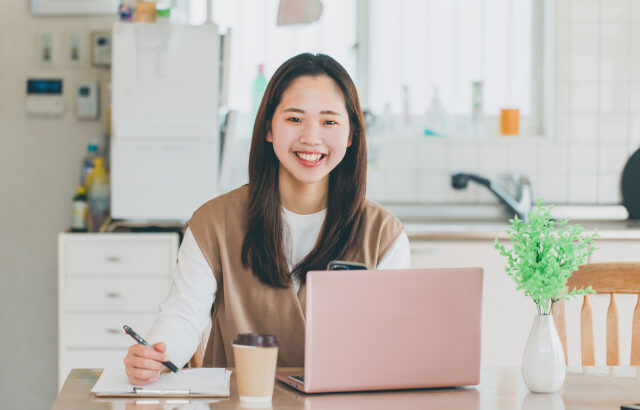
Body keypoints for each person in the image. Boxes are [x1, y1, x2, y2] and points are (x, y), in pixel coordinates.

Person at [123, 53, 411, 385]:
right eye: (294, 119)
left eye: (329, 121)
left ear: (350, 136)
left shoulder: (383, 234)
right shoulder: (213, 222)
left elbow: (390, 347)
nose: (311, 137)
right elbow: (183, 316)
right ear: (268, 129)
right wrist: (157, 356)